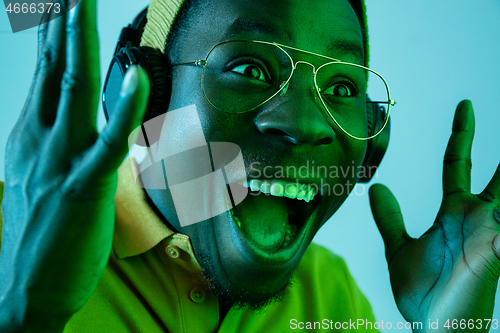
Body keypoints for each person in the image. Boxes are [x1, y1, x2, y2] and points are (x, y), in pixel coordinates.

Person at [1, 0, 499, 332]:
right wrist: (21, 313)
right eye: (248, 68)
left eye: (342, 89)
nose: (307, 124)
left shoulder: (331, 297)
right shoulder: (13, 239)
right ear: (148, 97)